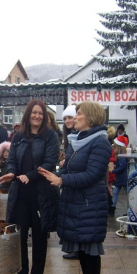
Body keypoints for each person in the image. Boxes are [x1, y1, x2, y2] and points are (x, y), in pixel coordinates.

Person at [39, 101, 110, 274]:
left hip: (90, 204)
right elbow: (71, 170)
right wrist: (56, 175)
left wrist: (62, 181)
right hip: (76, 203)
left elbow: (92, 175)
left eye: (78, 114)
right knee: (81, 249)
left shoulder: (100, 142)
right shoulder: (78, 140)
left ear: (90, 117)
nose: (73, 118)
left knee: (90, 250)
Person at [0, 99, 60, 274]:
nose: (37, 116)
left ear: (45, 116)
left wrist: (30, 175)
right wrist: (11, 172)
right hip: (21, 196)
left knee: (40, 241)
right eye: (34, 112)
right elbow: (13, 160)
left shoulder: (51, 136)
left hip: (42, 196)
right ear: (28, 115)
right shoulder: (18, 137)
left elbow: (50, 162)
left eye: (40, 113)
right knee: (20, 240)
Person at [60, 104, 79, 260]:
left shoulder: (79, 135)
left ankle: (77, 249)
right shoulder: (70, 136)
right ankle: (74, 248)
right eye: (65, 118)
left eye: (70, 117)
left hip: (75, 181)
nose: (67, 121)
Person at [110, 135, 129, 217]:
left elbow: (122, 167)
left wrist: (114, 171)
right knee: (124, 193)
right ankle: (113, 209)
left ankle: (112, 209)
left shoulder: (121, 156)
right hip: (122, 178)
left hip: (121, 178)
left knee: (117, 193)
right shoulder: (122, 154)